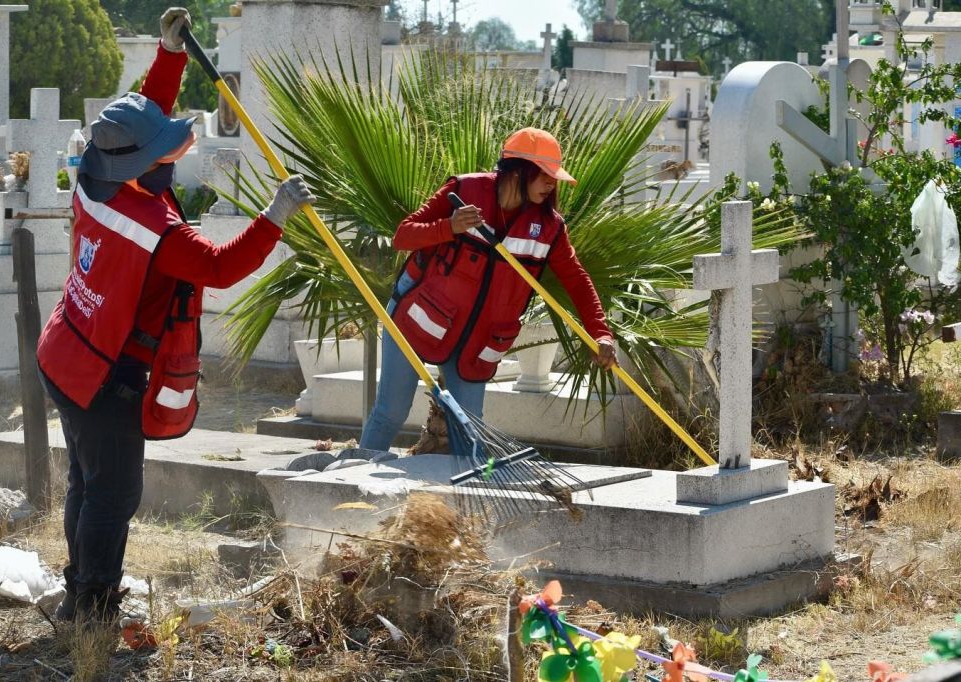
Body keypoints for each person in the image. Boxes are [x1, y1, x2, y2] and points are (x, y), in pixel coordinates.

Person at [35, 7, 315, 625]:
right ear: (143, 167)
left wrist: (169, 55)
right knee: (111, 492)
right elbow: (218, 266)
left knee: (87, 480)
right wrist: (276, 214)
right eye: (163, 154)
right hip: (104, 377)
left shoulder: (94, 176)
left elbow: (137, 120)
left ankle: (80, 589)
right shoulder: (154, 228)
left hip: (65, 353)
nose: (172, 156)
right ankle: (94, 606)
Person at [359, 127, 616, 452]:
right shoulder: (464, 189)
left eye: (554, 177)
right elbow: (403, 236)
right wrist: (449, 227)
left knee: (469, 431)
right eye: (544, 175)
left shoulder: (550, 227)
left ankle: (460, 501)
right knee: (390, 413)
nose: (552, 183)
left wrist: (601, 334)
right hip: (417, 319)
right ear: (518, 170)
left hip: (478, 341)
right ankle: (350, 484)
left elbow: (577, 280)